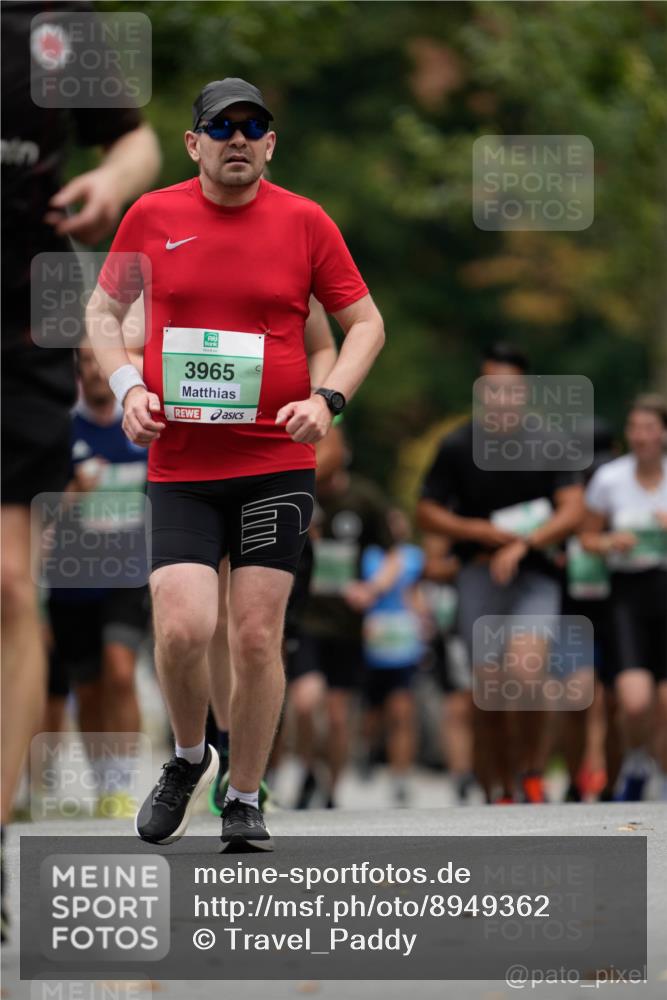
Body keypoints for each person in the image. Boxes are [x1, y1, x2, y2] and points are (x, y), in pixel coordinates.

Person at [86, 78, 385, 851]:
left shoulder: (305, 222)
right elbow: (102, 313)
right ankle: (191, 757)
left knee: (255, 637)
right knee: (183, 625)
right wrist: (127, 389)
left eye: (253, 127)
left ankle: (245, 796)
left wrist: (328, 399)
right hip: (182, 465)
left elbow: (364, 324)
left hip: (273, 464)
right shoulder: (152, 215)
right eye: (222, 128)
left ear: (271, 144)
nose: (238, 139)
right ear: (194, 144)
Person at [1, 0, 159, 939]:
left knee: (10, 588)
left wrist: (112, 181)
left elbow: (134, 140)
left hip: (22, 322)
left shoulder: (61, 21)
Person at [417, 343, 585, 804]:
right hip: (477, 576)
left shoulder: (550, 442)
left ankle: (531, 771)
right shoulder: (457, 445)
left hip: (535, 576)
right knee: (489, 690)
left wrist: (524, 544)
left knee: (527, 676)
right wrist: (476, 530)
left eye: (510, 389)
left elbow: (573, 510)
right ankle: (498, 785)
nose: (501, 398)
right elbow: (426, 511)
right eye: (492, 388)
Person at [45, 345, 150, 819]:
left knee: (120, 671)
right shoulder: (61, 431)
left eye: (98, 362)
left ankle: (122, 784)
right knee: (86, 688)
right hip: (72, 579)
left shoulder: (141, 425)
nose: (92, 370)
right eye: (84, 363)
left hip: (128, 575)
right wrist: (73, 492)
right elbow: (34, 513)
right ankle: (102, 781)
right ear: (76, 372)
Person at [297, 430, 400, 808]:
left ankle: (331, 789)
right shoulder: (299, 492)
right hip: (305, 617)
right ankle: (309, 770)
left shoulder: (363, 498)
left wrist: (373, 589)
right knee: (305, 702)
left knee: (338, 715)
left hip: (346, 623)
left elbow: (394, 555)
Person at [580, 394, 667, 801]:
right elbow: (586, 537)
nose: (640, 436)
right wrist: (610, 541)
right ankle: (636, 759)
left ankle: (661, 776)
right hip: (628, 594)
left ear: (663, 433)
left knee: (665, 704)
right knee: (634, 701)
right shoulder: (609, 478)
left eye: (649, 428)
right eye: (634, 428)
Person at [360, 509, 424, 806]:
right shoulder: (368, 555)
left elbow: (416, 593)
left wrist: (423, 619)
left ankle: (400, 776)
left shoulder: (414, 557)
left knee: (401, 711)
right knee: (373, 714)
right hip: (372, 643)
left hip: (403, 644)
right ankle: (369, 751)